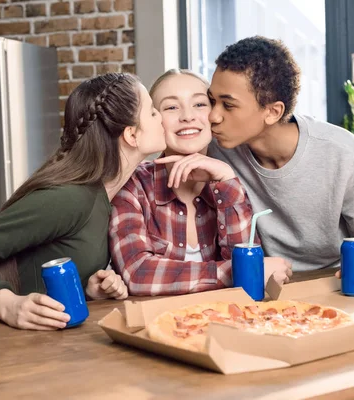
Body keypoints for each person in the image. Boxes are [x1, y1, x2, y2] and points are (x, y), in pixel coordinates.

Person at [0, 73, 167, 330]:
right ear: (131, 135)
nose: (161, 117)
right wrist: (8, 305)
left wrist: (87, 290)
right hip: (3, 348)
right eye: (152, 112)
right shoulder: (71, 198)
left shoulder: (105, 197)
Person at [208, 36, 354, 297]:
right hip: (262, 288)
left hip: (334, 286)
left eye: (228, 105)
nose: (213, 116)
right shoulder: (217, 150)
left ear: (273, 112)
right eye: (211, 101)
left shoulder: (340, 151)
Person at [109, 69, 292, 296]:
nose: (187, 116)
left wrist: (226, 181)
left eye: (199, 104)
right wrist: (236, 272)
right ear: (154, 120)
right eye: (171, 107)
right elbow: (138, 274)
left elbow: (246, 269)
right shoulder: (133, 186)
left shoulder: (229, 181)